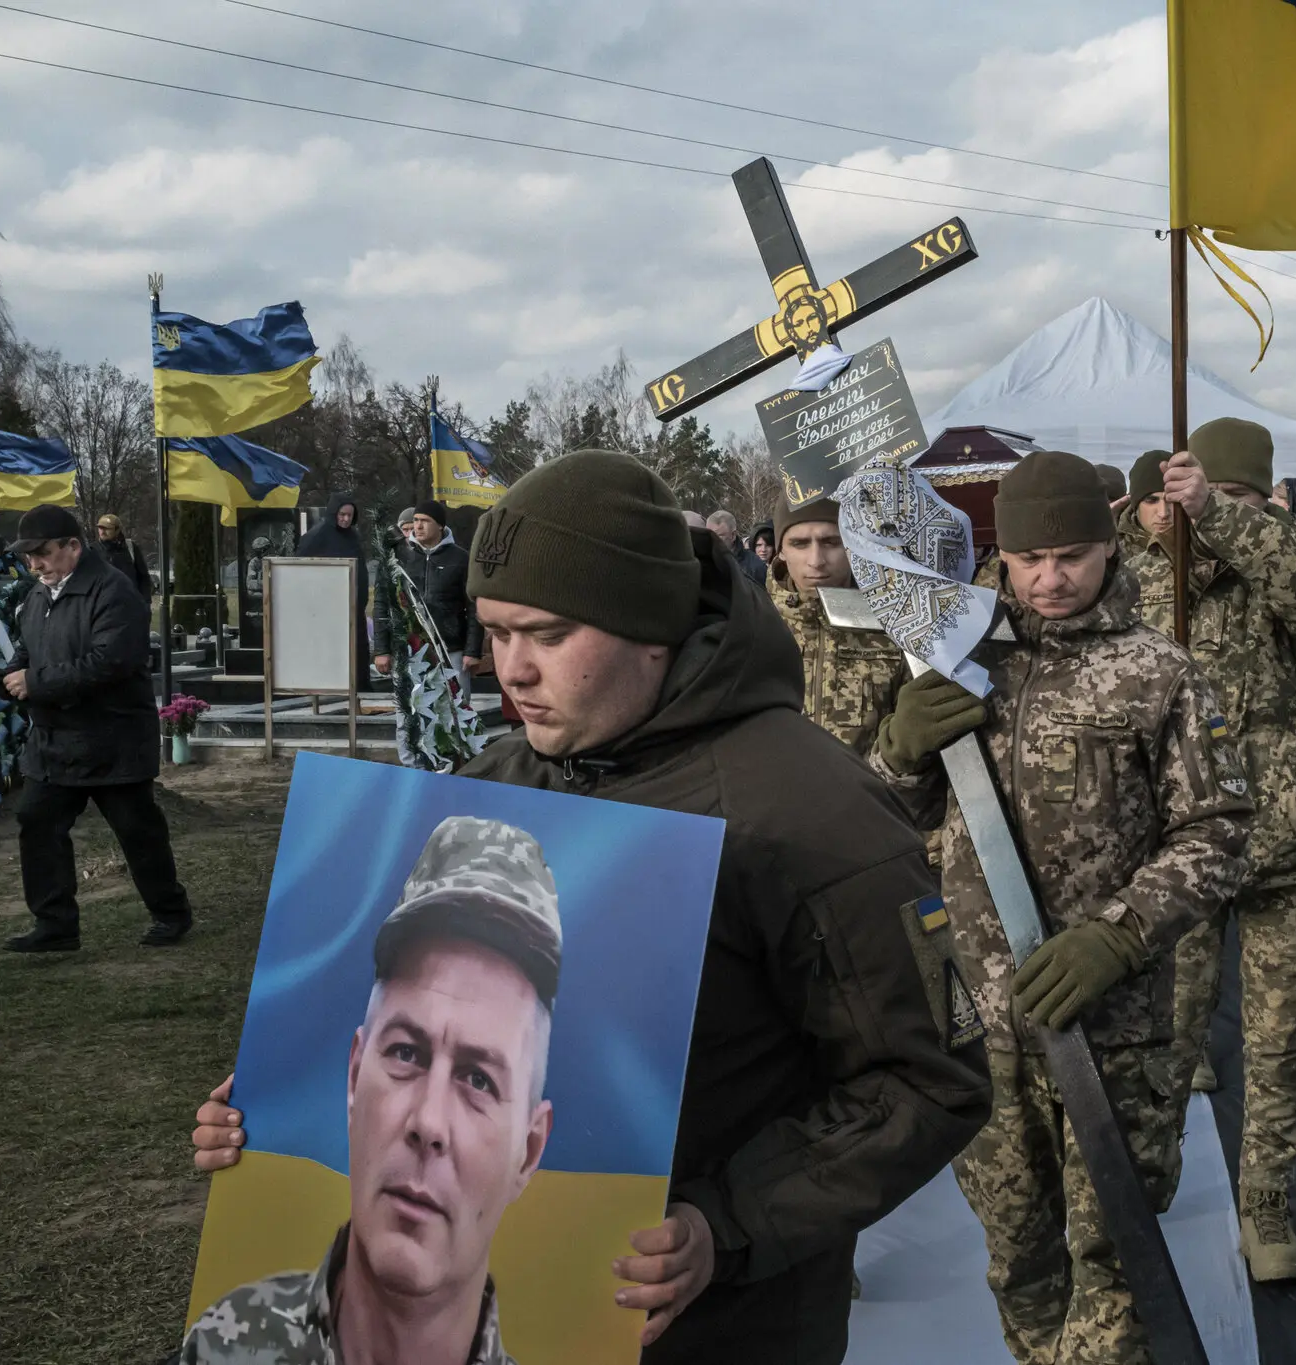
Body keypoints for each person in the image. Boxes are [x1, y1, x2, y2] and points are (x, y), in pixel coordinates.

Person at [196, 450, 990, 1364]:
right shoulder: (493, 786)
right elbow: (374, 1023)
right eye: (495, 633)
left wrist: (721, 1224)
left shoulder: (811, 812)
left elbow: (931, 1076)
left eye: (548, 634)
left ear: (651, 629)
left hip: (722, 1333)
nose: (512, 671)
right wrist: (258, 1116)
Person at [871, 449, 1251, 1362]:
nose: (1050, 578)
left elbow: (1222, 828)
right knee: (1020, 1263)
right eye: (1030, 558)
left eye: (1074, 555)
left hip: (1112, 1032)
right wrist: (897, 751)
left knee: (1114, 1267)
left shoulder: (1159, 673)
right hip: (984, 1025)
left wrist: (1118, 937)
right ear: (999, 555)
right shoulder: (958, 667)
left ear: (1111, 549)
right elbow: (889, 826)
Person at [182, 816, 561, 1365]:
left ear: (527, 1152)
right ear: (355, 1077)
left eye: (479, 1080)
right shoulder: (223, 1343)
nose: (428, 1124)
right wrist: (245, 1123)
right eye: (406, 1053)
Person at [1118, 421, 1296, 1281]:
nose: (1215, 515)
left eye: (1247, 498)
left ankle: (1265, 1200)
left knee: (1278, 1036)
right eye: (1203, 494)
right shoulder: (1142, 578)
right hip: (1178, 841)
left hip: (1282, 839)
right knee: (1167, 1026)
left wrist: (1219, 511)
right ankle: (1150, 1176)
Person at [2, 504, 192, 952]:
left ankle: (170, 913)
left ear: (73, 546)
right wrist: (11, 676)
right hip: (54, 741)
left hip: (113, 738)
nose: (34, 565)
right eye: (28, 556)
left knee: (137, 830)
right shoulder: (36, 596)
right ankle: (55, 925)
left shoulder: (114, 591)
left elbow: (109, 663)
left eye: (43, 554)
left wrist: (35, 682)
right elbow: (29, 652)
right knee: (37, 821)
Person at [767, 491, 906, 757]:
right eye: (799, 543)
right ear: (781, 550)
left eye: (831, 542)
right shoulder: (752, 625)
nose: (816, 560)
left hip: (868, 795)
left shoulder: (892, 625)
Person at [375, 500, 483, 688]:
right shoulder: (396, 557)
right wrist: (382, 650)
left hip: (451, 649)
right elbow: (382, 604)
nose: (418, 525)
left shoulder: (461, 559)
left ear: (440, 525)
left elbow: (475, 607)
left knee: (455, 712)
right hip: (408, 650)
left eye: (425, 520)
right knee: (411, 714)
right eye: (416, 520)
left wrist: (472, 651)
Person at [298, 492, 370, 682]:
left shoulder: (352, 535)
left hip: (353, 605)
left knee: (356, 651)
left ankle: (359, 687)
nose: (346, 519)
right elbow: (300, 568)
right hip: (328, 607)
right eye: (342, 514)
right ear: (333, 513)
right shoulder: (318, 535)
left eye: (350, 515)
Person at [93, 512, 151, 599]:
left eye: (107, 528)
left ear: (117, 530)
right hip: (104, 604)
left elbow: (143, 577)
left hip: (130, 602)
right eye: (100, 528)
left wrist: (146, 602)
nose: (102, 531)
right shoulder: (92, 550)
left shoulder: (130, 547)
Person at [707, 510, 766, 586]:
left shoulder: (755, 566)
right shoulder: (702, 563)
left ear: (733, 535)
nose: (712, 540)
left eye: (718, 536)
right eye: (708, 535)